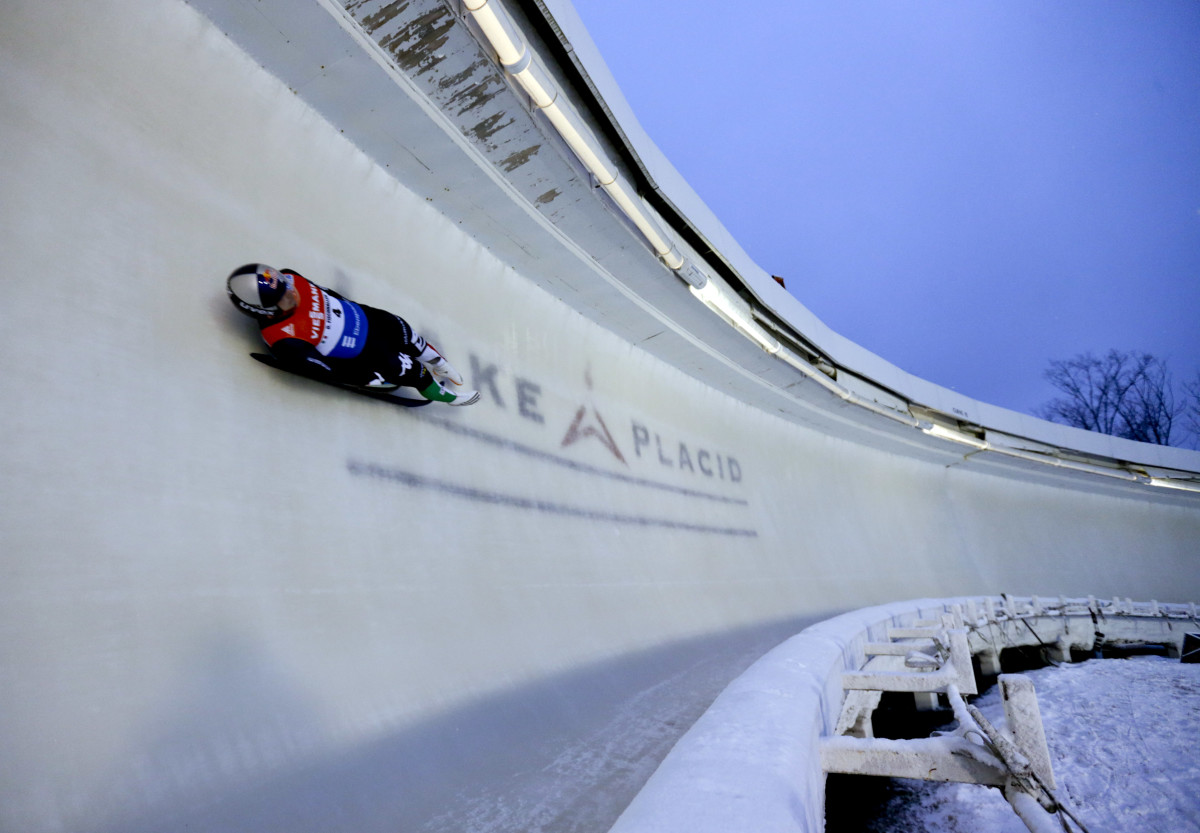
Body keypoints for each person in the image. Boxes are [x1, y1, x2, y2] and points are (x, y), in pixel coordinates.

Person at [226, 263, 479, 405]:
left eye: (287, 285)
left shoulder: (292, 277)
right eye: (283, 298)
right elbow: (326, 370)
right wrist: (364, 377)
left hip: (367, 318)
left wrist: (356, 309)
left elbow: (330, 295)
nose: (292, 293)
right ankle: (449, 397)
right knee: (413, 371)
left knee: (407, 333)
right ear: (265, 311)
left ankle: (441, 364)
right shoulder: (284, 339)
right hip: (365, 354)